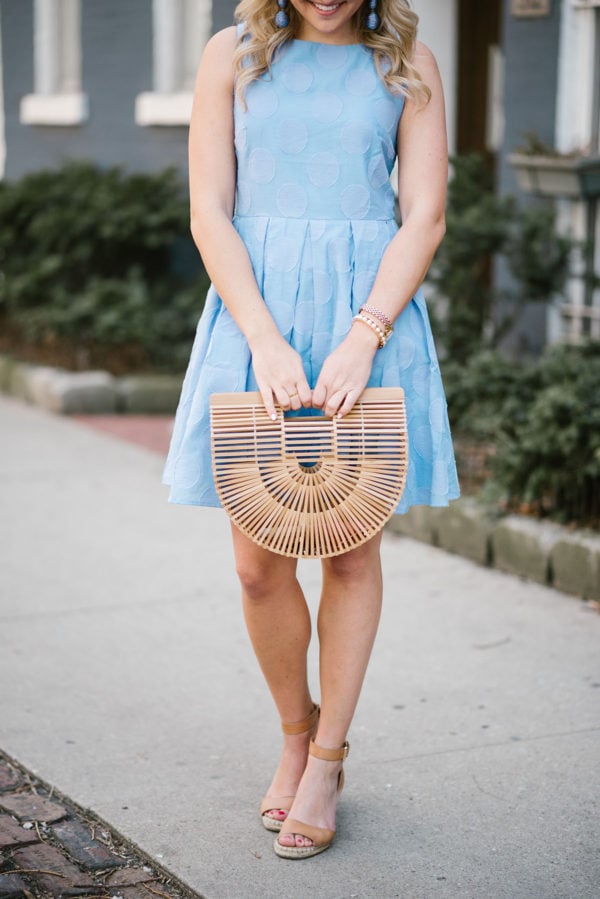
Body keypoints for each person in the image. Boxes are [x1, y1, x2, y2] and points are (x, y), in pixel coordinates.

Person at [163, 0, 459, 859]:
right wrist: (260, 336)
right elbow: (209, 209)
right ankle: (297, 728)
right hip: (256, 316)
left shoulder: (409, 64)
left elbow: (425, 215)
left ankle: (327, 761)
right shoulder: (233, 55)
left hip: (368, 318)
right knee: (258, 562)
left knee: (349, 546)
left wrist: (367, 335)